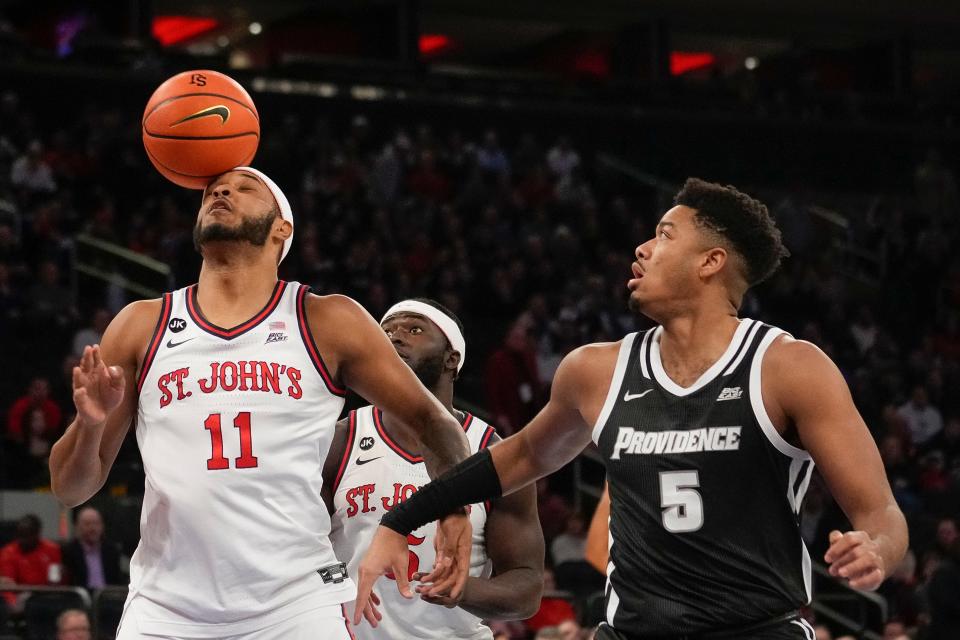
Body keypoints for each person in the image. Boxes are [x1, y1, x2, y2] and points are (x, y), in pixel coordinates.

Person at [356, 178, 909, 639]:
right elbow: (515, 458)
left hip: (756, 628)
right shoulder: (595, 371)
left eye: (664, 235)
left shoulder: (789, 367)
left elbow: (880, 512)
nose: (642, 248)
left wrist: (876, 550)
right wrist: (400, 521)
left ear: (711, 262)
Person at [49, 168, 474, 639]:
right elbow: (70, 489)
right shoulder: (140, 325)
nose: (222, 191)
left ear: (281, 229)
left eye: (245, 188)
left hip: (296, 603)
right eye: (212, 191)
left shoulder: (327, 320)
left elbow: (433, 421)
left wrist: (455, 510)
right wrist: (89, 427)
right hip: (166, 607)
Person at [326, 298, 544, 638]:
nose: (394, 338)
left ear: (451, 359)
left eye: (413, 329)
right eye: (386, 332)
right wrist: (334, 585)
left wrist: (458, 589)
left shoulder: (493, 452)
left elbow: (526, 587)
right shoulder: (341, 439)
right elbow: (300, 548)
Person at [0, 514, 62, 609]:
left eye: (26, 536)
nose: (22, 540)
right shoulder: (7, 553)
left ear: (37, 534)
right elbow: (8, 587)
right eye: (20, 535)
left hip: (47, 596)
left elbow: (56, 581)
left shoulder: (52, 550)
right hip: (21, 598)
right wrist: (13, 606)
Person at [62, 506, 122, 591]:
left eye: (96, 523)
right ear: (77, 527)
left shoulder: (111, 551)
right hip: (79, 600)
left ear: (102, 526)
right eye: (87, 524)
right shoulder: (68, 551)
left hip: (107, 598)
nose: (92, 528)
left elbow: (117, 580)